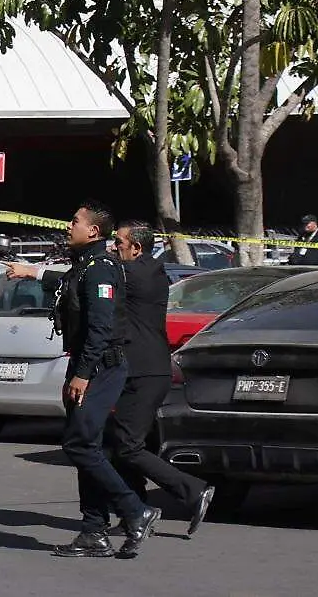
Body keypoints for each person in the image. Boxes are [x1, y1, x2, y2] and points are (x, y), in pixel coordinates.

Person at [3, 201, 159, 559]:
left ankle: (136, 511)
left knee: (79, 445)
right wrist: (32, 272)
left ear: (93, 231)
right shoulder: (87, 264)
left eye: (74, 221)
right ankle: (93, 531)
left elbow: (102, 328)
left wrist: (84, 375)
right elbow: (70, 283)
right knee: (88, 446)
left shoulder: (102, 267)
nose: (67, 226)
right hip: (87, 366)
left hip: (100, 367)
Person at [106, 222, 215, 536]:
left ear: (136, 248)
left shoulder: (137, 275)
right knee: (121, 445)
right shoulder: (147, 270)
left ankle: (192, 491)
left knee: (128, 446)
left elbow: (95, 277)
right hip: (138, 369)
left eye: (119, 242)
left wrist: (39, 273)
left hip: (145, 372)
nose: (114, 247)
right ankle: (135, 514)